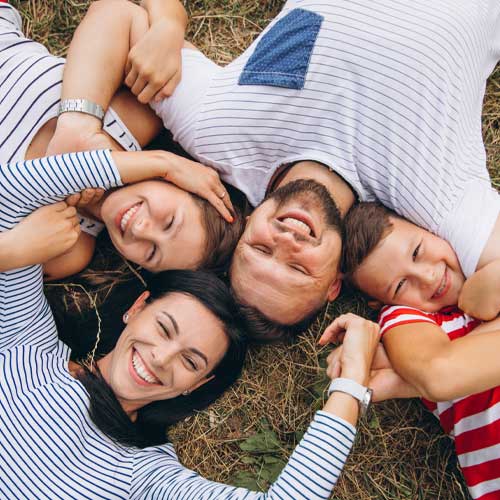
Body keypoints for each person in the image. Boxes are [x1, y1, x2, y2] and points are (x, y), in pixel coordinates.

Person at [48, 0, 500, 339]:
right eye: (298, 270)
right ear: (333, 284)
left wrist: (80, 125)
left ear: (243, 227)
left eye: (261, 252)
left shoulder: (217, 135)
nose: (287, 242)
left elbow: (125, 20)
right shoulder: (434, 201)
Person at [0, 144, 382, 497]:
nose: (161, 358)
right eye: (164, 328)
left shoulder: (145, 476)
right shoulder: (27, 348)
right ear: (137, 308)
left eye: (191, 362)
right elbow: (12, 191)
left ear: (198, 384)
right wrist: (163, 165)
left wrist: (351, 384)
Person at [0, 1, 241, 280]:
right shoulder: (136, 118)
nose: (141, 230)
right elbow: (119, 14)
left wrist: (11, 251)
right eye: (169, 221)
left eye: (152, 253)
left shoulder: (67, 247)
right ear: (183, 181)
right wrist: (79, 124)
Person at [326, 201, 500, 499]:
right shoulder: (407, 318)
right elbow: (438, 373)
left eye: (417, 252)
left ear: (430, 228)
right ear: (382, 305)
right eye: (400, 286)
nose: (429, 277)